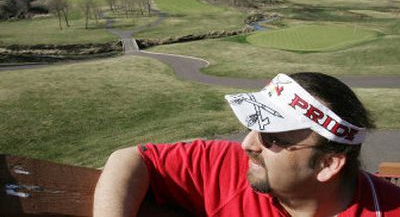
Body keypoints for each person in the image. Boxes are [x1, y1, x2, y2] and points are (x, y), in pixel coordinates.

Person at [93, 72, 400, 217]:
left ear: (327, 164)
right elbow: (131, 159)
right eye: (253, 126)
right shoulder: (230, 167)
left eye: (271, 137)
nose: (246, 144)